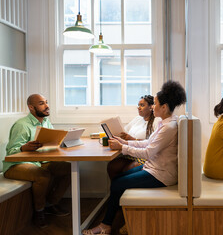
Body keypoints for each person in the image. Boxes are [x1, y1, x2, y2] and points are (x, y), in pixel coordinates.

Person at [82, 81, 186, 235]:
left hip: (161, 174)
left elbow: (148, 152)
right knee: (118, 178)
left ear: (164, 107)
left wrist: (122, 148)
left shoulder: (169, 127)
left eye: (155, 104)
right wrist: (124, 142)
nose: (153, 107)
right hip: (153, 167)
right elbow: (147, 142)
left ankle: (106, 225)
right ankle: (115, 218)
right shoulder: (166, 123)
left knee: (117, 183)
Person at [2, 94, 71, 228]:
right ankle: (39, 212)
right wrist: (23, 147)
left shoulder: (45, 122)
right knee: (42, 175)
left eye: (46, 102)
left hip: (38, 162)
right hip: (15, 166)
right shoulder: (22, 125)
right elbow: (10, 152)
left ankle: (51, 204)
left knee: (68, 169)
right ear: (31, 107)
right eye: (41, 103)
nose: (47, 106)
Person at [107, 95, 159, 180]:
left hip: (143, 155)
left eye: (142, 105)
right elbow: (125, 131)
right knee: (112, 166)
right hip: (130, 153)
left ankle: (123, 189)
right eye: (138, 105)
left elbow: (151, 142)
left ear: (151, 107)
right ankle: (117, 191)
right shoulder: (138, 119)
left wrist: (132, 139)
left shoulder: (156, 121)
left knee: (127, 170)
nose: (139, 108)